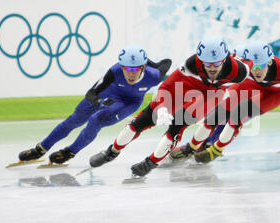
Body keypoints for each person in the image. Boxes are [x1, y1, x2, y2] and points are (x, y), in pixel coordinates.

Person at [89, 36, 252, 178]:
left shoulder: (240, 72)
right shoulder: (191, 65)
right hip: (189, 85)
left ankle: (151, 163)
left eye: (216, 63)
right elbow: (166, 88)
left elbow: (248, 89)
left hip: (211, 96)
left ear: (224, 59)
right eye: (207, 63)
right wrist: (161, 108)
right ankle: (112, 151)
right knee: (145, 118)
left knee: (177, 125)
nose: (212, 68)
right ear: (200, 60)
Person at [17, 45, 172, 165]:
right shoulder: (114, 71)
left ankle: (70, 152)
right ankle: (41, 148)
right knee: (74, 120)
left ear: (143, 67)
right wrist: (99, 102)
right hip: (107, 95)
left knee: (95, 121)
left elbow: (167, 62)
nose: (130, 73)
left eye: (135, 69)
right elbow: (91, 93)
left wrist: (146, 60)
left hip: (128, 103)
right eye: (126, 68)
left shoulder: (154, 76)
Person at [169, 40, 280, 163]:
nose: (257, 71)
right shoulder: (243, 65)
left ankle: (215, 149)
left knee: (238, 115)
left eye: (261, 66)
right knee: (218, 113)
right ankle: (191, 147)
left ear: (270, 62)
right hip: (251, 84)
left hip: (274, 93)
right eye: (254, 66)